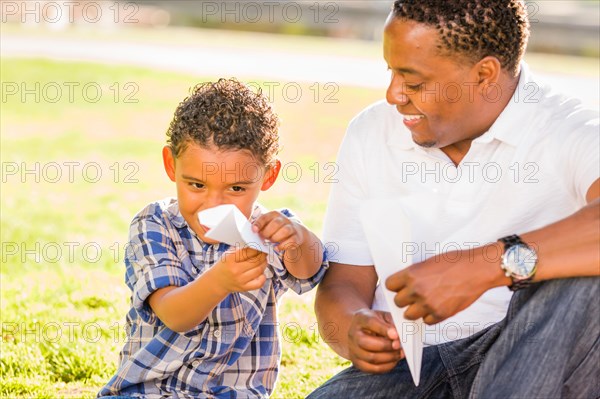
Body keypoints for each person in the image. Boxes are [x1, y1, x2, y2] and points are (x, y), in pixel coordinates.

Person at [309, 1, 599, 398]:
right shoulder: (371, 132)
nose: (394, 94)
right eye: (391, 72)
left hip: (529, 359)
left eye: (413, 82)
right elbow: (343, 283)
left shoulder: (568, 129)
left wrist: (483, 267)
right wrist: (354, 327)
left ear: (484, 75)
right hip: (414, 368)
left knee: (588, 278)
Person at [98, 78, 328, 398]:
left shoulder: (268, 230)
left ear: (268, 175)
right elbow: (174, 314)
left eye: (236, 189)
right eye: (196, 185)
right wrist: (219, 281)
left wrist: (299, 240)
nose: (213, 204)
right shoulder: (154, 225)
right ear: (171, 165)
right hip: (149, 391)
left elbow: (310, 271)